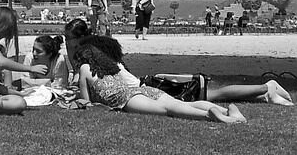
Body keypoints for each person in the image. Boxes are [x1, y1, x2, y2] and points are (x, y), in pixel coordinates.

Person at [64, 18, 293, 107]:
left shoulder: (89, 52)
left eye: (68, 39)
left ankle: (267, 87)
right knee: (216, 95)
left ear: (77, 38)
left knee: (217, 95)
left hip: (148, 87)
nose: (67, 44)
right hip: (148, 83)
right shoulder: (101, 46)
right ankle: (264, 92)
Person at [72, 41, 247, 123]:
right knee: (179, 103)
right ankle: (228, 110)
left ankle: (215, 117)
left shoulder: (84, 69)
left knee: (167, 110)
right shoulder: (111, 66)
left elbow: (86, 100)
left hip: (126, 97)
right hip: (145, 90)